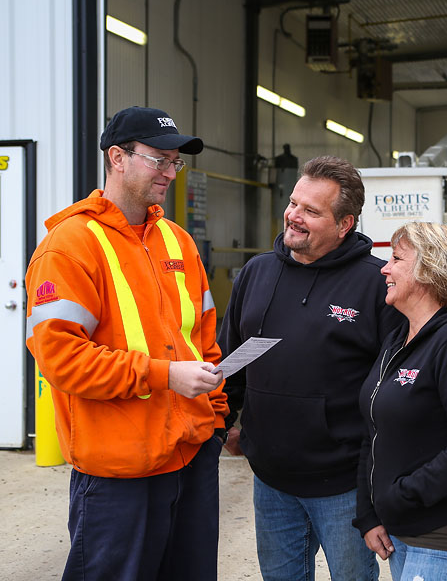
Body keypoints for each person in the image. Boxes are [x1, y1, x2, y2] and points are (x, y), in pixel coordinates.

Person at [24, 106, 228, 580]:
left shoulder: (178, 242)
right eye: (159, 160)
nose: (170, 173)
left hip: (192, 457)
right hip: (119, 475)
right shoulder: (69, 247)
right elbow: (62, 360)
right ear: (117, 157)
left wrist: (215, 422)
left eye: (175, 162)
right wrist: (164, 375)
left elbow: (204, 341)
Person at [218, 155, 404, 581]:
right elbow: (230, 362)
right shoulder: (256, 273)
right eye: (293, 203)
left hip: (344, 486)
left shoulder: (377, 284)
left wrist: (383, 478)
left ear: (344, 224)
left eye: (311, 211)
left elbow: (394, 390)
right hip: (271, 482)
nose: (294, 216)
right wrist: (223, 422)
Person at [353, 222, 447, 581]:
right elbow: (374, 429)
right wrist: (369, 513)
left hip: (444, 530)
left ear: (430, 271)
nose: (384, 269)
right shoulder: (399, 338)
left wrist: (403, 496)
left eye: (396, 259)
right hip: (401, 525)